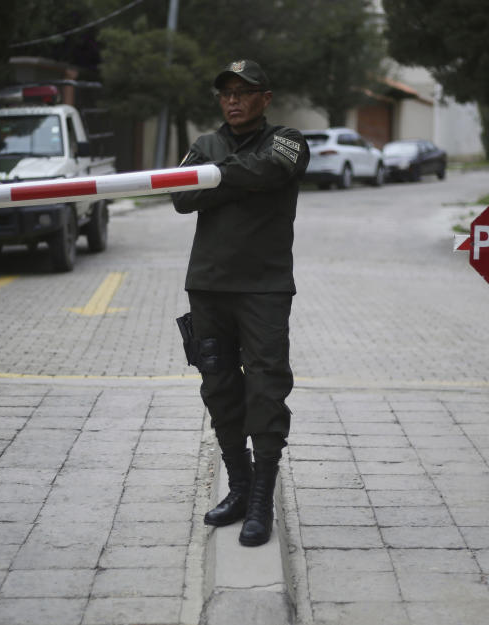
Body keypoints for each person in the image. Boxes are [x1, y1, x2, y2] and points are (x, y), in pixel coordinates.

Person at [171, 60, 309, 547]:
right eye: (226, 92)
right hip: (208, 287)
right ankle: (239, 486)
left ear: (265, 99)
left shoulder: (288, 139)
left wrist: (216, 182)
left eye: (244, 92)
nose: (233, 100)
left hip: (264, 289)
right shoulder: (205, 144)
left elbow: (273, 168)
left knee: (267, 391)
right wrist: (240, 180)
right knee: (220, 389)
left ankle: (261, 501)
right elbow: (182, 197)